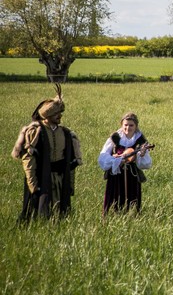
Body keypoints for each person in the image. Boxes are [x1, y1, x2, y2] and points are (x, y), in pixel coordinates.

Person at [12, 85, 82, 221]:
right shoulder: (35, 132)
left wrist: (70, 185)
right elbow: (28, 160)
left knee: (60, 213)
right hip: (41, 178)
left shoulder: (66, 133)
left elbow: (71, 163)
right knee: (37, 212)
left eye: (60, 113)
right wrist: (33, 185)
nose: (60, 116)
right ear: (48, 115)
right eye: (56, 113)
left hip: (60, 178)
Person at [98, 112, 152, 215]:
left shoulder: (140, 140)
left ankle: (131, 219)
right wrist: (116, 160)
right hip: (116, 175)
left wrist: (141, 155)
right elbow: (103, 156)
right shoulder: (115, 138)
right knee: (115, 200)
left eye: (131, 125)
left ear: (136, 126)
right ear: (122, 125)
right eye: (125, 125)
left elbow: (146, 164)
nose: (128, 127)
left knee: (132, 201)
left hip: (132, 175)